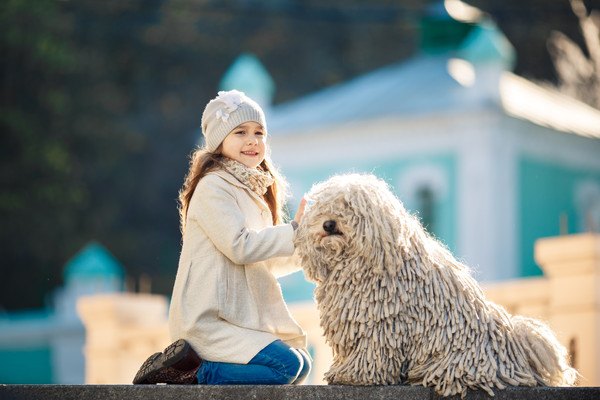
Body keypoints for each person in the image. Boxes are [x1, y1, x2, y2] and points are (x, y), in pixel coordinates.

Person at [132, 90, 310, 385]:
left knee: (302, 364)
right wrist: (292, 232)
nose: (253, 141)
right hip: (210, 318)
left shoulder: (254, 191)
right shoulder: (214, 186)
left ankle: (196, 371)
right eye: (240, 132)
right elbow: (240, 247)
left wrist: (309, 243)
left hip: (240, 318)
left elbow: (266, 261)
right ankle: (192, 371)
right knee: (286, 367)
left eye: (259, 132)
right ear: (219, 140)